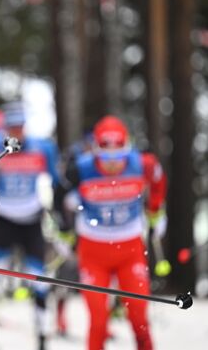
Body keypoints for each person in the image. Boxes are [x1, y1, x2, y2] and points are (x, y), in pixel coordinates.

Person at [55, 115, 167, 350]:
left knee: (139, 317)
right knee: (98, 320)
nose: (113, 164)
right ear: (95, 150)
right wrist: (64, 232)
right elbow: (58, 195)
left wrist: (156, 212)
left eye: (119, 157)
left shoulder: (142, 163)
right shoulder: (82, 168)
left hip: (130, 250)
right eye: (105, 157)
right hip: (93, 252)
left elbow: (158, 182)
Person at [0, 101, 60, 350]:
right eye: (12, 127)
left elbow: (56, 181)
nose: (17, 132)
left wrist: (58, 215)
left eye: (21, 126)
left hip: (32, 217)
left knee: (40, 278)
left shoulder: (41, 147)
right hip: (5, 216)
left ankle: (42, 335)